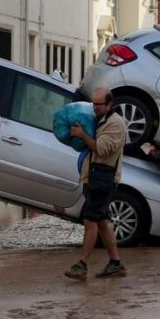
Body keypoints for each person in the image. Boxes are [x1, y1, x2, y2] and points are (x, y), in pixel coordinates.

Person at [64, 88, 128, 280]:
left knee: (90, 220)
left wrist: (82, 135)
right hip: (93, 177)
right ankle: (115, 263)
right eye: (93, 104)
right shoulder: (100, 120)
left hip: (103, 180)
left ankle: (82, 265)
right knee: (102, 222)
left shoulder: (116, 125)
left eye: (99, 104)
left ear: (109, 105)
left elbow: (101, 149)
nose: (95, 107)